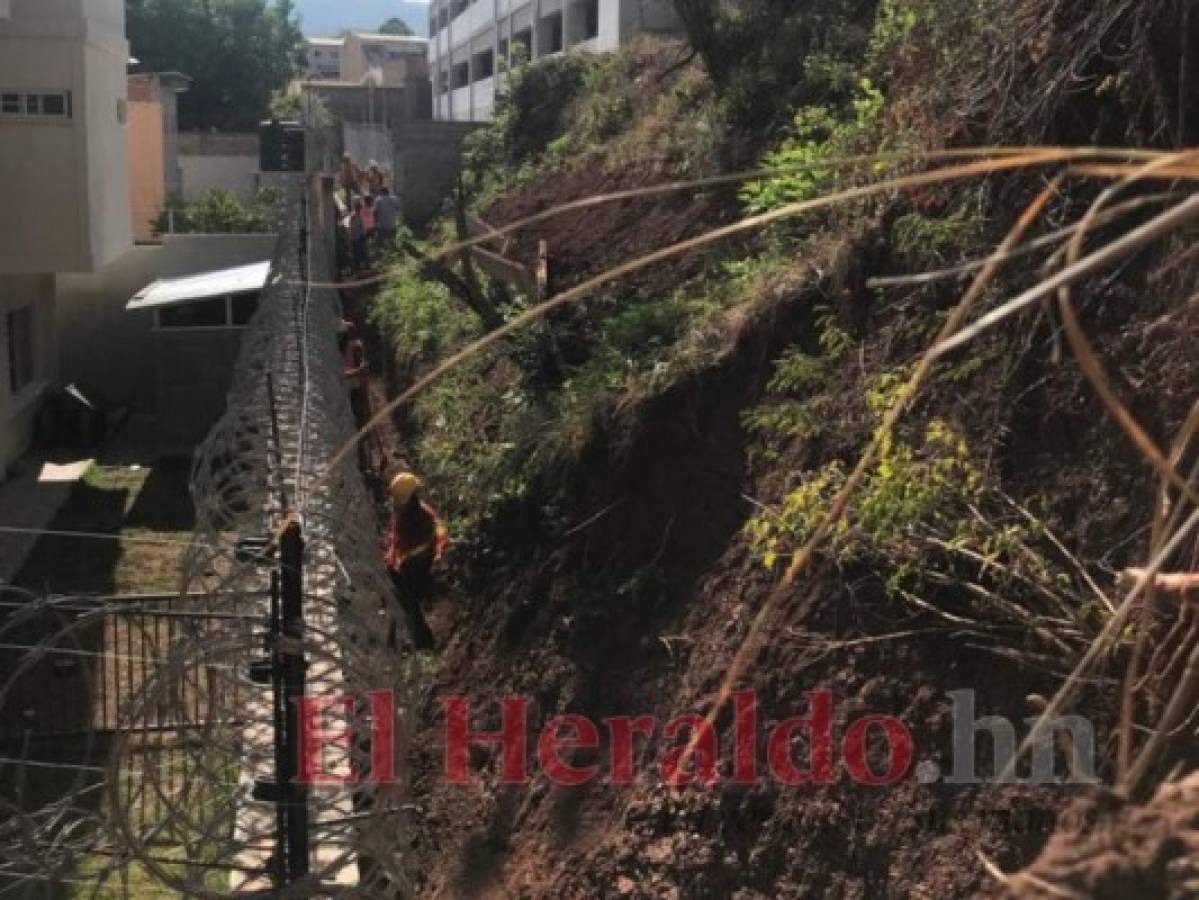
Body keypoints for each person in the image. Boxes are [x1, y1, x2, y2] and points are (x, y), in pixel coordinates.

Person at [384, 472, 448, 651]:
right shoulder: (422, 510)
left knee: (410, 602)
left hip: (414, 566)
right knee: (408, 599)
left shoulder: (409, 518)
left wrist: (393, 562)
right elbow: (439, 528)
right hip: (421, 560)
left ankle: (423, 642)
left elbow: (399, 542)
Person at [373, 185, 400, 253]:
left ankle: (385, 253)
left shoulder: (378, 200)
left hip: (382, 225)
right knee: (392, 241)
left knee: (382, 243)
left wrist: (375, 223)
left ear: (381, 192)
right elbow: (397, 209)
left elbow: (375, 213)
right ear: (388, 191)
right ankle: (392, 252)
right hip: (392, 224)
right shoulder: (395, 199)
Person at [349, 198, 370, 272]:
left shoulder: (358, 216)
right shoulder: (354, 216)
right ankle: (358, 267)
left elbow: (362, 226)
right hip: (357, 237)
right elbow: (355, 227)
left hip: (358, 237)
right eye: (359, 208)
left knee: (362, 252)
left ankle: (363, 266)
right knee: (359, 252)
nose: (359, 209)